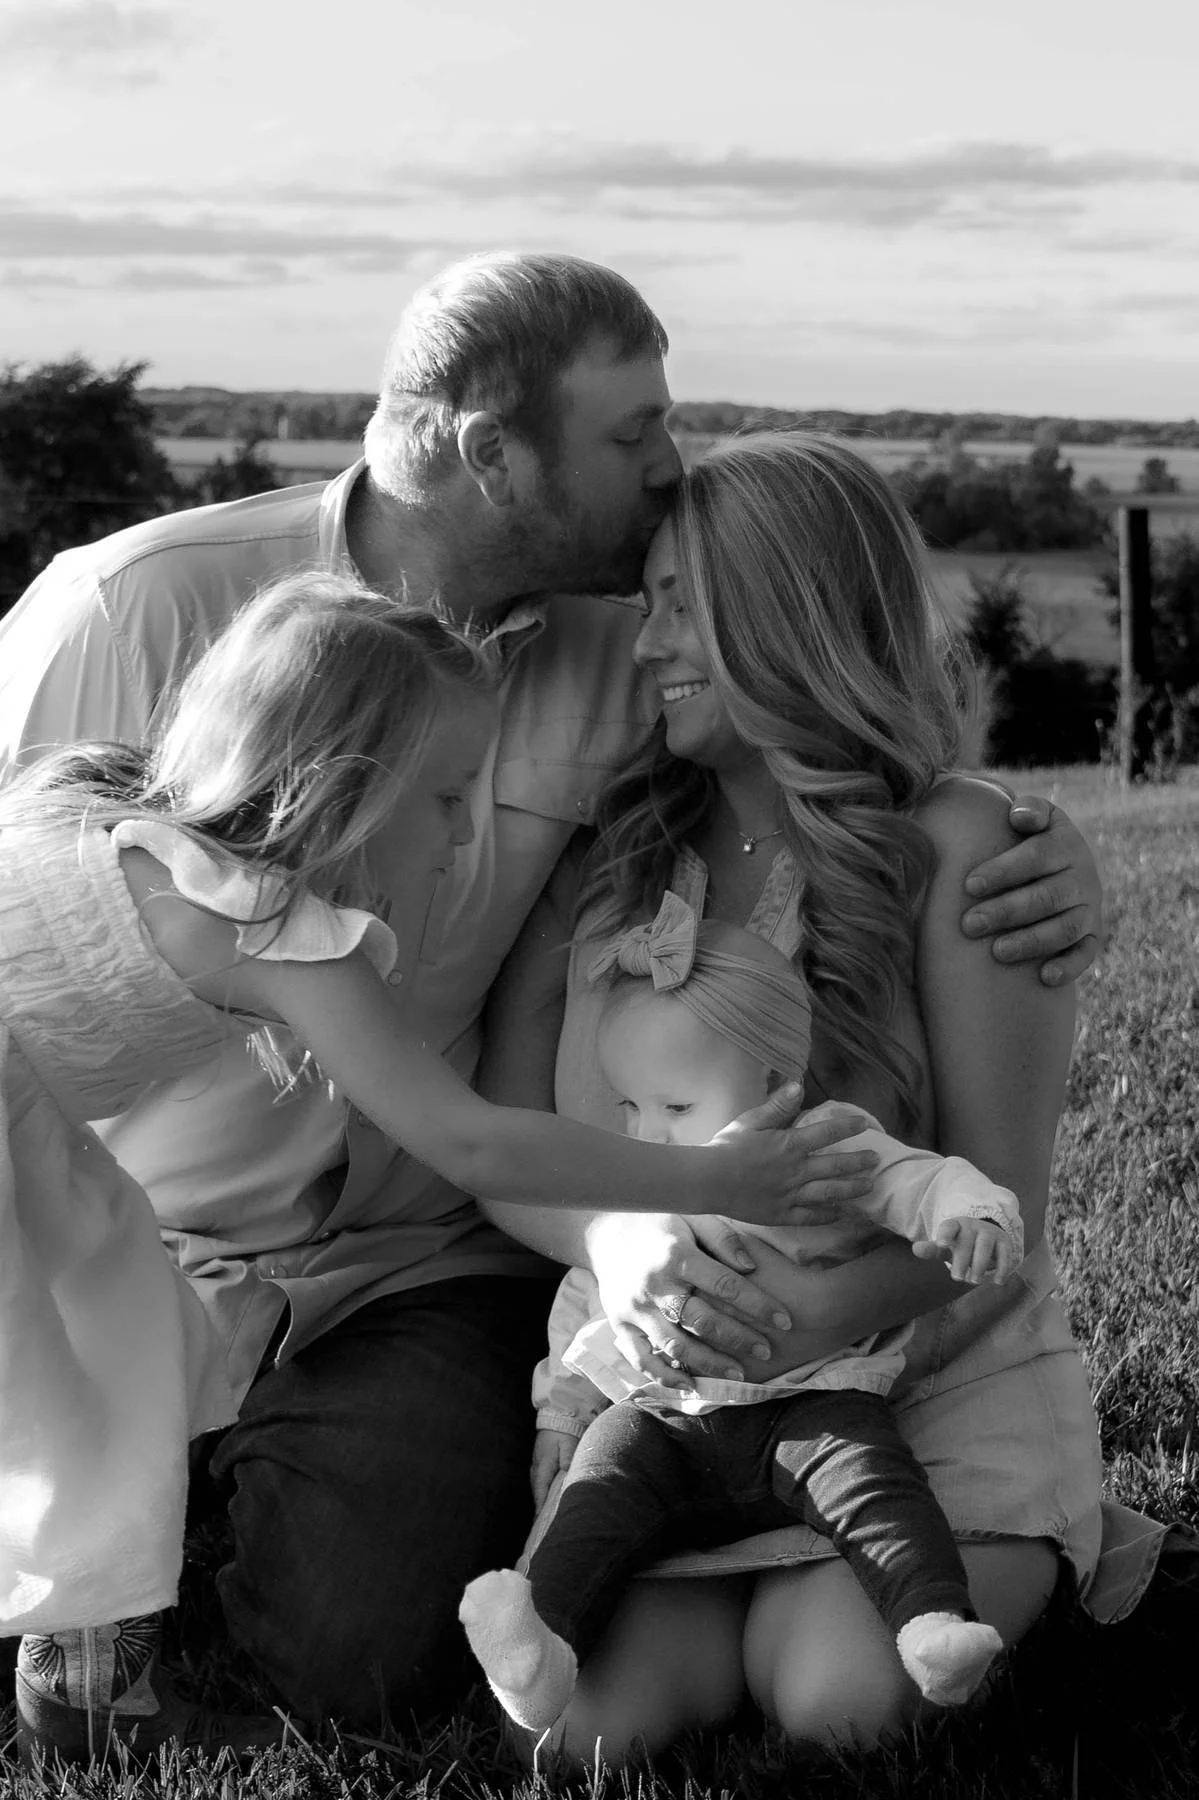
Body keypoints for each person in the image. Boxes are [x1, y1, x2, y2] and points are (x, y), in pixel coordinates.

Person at [0, 250, 1106, 1737]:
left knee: (368, 1654)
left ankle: (178, 1537)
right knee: (65, 1382)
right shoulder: (133, 609)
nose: (669, 466)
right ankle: (108, 1573)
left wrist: (1046, 852)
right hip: (150, 1225)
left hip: (426, 1269)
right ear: (492, 454)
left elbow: (840, 741)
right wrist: (690, 1203)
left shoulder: (619, 650)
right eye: (635, 430)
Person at [1, 571, 860, 1765]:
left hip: (32, 1136)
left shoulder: (116, 819)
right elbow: (469, 1138)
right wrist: (718, 1182)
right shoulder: (272, 929)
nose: (463, 834)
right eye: (448, 796)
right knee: (89, 1378)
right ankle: (83, 1676)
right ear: (349, 786)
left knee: (111, 1350)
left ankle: (85, 1673)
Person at [470, 428, 1151, 1760]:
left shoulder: (956, 848)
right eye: (644, 604)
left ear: (786, 616)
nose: (646, 644)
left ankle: (1037, 1548)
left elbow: (999, 1211)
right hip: (672, 1401)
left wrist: (814, 1324)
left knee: (834, 1701)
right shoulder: (607, 858)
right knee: (585, 1732)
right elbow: (503, 1148)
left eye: (682, 607)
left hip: (921, 1376)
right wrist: (613, 1242)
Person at [460, 894, 1026, 1729]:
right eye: (629, 1108)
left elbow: (919, 1179)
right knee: (594, 1494)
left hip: (810, 1405)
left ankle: (929, 1623)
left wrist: (969, 1215)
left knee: (874, 1488)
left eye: (675, 1109)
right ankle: (537, 1645)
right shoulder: (640, 1182)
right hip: (662, 1418)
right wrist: (563, 1412)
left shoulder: (824, 1147)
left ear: (771, 1080)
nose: (648, 1134)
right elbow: (590, 1302)